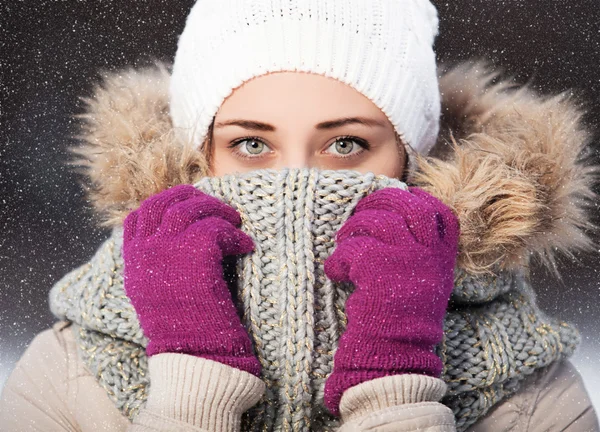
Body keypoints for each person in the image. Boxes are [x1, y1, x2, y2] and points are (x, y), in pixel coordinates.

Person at [1, 0, 598, 431]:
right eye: (252, 145)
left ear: (410, 161)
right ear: (198, 155)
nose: (295, 180)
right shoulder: (71, 369)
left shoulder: (527, 385)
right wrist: (188, 387)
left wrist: (395, 388)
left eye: (345, 145)